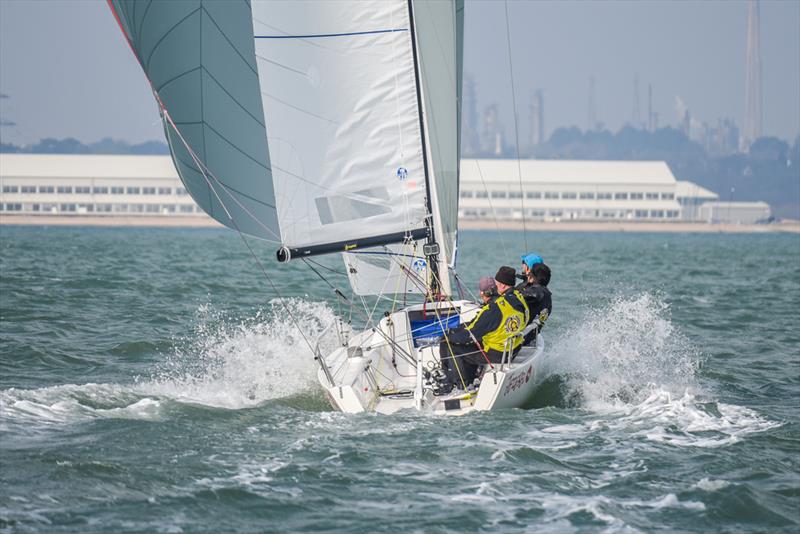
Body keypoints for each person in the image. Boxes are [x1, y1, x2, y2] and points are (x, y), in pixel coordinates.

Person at [437, 266, 529, 393]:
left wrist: (449, 336)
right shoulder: (519, 298)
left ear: (502, 285)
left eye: (496, 284)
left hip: (497, 353)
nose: (495, 287)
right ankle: (471, 377)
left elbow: (471, 334)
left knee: (452, 345)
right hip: (513, 348)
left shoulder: (495, 308)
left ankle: (461, 386)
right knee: (469, 342)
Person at [517, 261, 552, 345]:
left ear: (532, 277)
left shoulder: (536, 293)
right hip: (530, 336)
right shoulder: (548, 296)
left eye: (530, 274)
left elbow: (535, 294)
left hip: (520, 339)